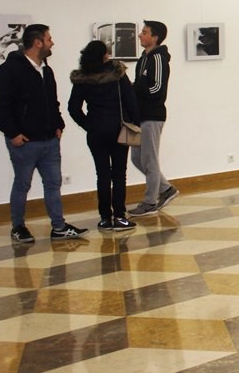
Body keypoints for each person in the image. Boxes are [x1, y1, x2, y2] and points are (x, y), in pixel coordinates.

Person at [0, 24, 89, 242]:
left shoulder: (46, 70)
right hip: (24, 142)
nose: (52, 43)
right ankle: (18, 227)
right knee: (22, 185)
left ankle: (59, 227)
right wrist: (13, 133)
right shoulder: (10, 69)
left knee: (53, 184)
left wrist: (58, 125)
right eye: (49, 39)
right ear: (38, 42)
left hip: (50, 140)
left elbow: (52, 102)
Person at [69, 41, 139, 231]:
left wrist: (88, 125)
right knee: (119, 174)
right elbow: (131, 101)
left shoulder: (82, 78)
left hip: (96, 132)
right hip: (119, 129)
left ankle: (105, 218)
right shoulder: (117, 74)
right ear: (104, 56)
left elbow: (73, 108)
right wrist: (136, 123)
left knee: (102, 175)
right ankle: (120, 216)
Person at [128, 20, 178, 217]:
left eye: (144, 32)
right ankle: (166, 189)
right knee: (136, 158)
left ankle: (150, 202)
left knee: (150, 159)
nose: (140, 35)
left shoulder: (158, 58)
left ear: (155, 37)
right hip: (137, 117)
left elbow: (157, 88)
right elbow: (139, 84)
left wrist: (135, 91)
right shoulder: (143, 58)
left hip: (151, 116)